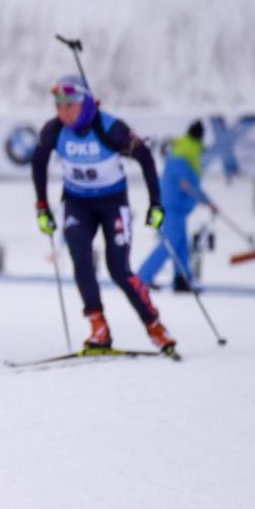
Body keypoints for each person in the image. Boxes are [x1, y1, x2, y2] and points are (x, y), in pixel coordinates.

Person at [32, 74, 177, 353]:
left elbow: (145, 158)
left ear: (85, 103)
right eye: (58, 106)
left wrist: (156, 204)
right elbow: (38, 163)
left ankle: (154, 325)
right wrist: (42, 207)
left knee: (118, 269)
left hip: (112, 203)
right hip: (77, 202)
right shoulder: (54, 130)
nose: (63, 112)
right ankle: (98, 326)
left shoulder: (110, 128)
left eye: (70, 105)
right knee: (81, 259)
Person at [137, 120, 214, 291]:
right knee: (169, 244)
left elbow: (189, 183)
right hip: (172, 208)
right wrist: (207, 202)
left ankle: (182, 279)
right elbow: (189, 185)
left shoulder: (181, 148)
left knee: (181, 246)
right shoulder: (189, 151)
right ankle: (142, 277)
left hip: (173, 208)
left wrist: (207, 201)